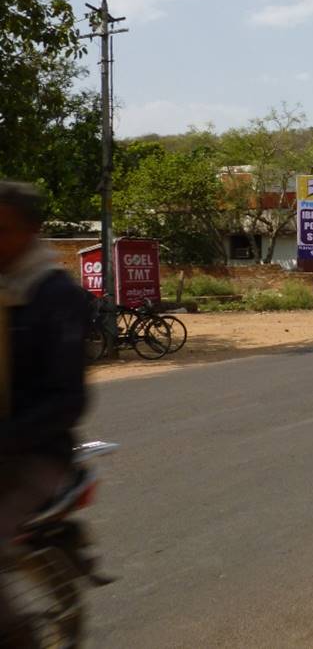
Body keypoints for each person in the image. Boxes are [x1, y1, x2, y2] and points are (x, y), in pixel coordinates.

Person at [0, 182, 90, 643]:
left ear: (31, 231)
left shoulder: (56, 297)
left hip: (36, 456)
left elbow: (69, 400)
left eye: (3, 229)